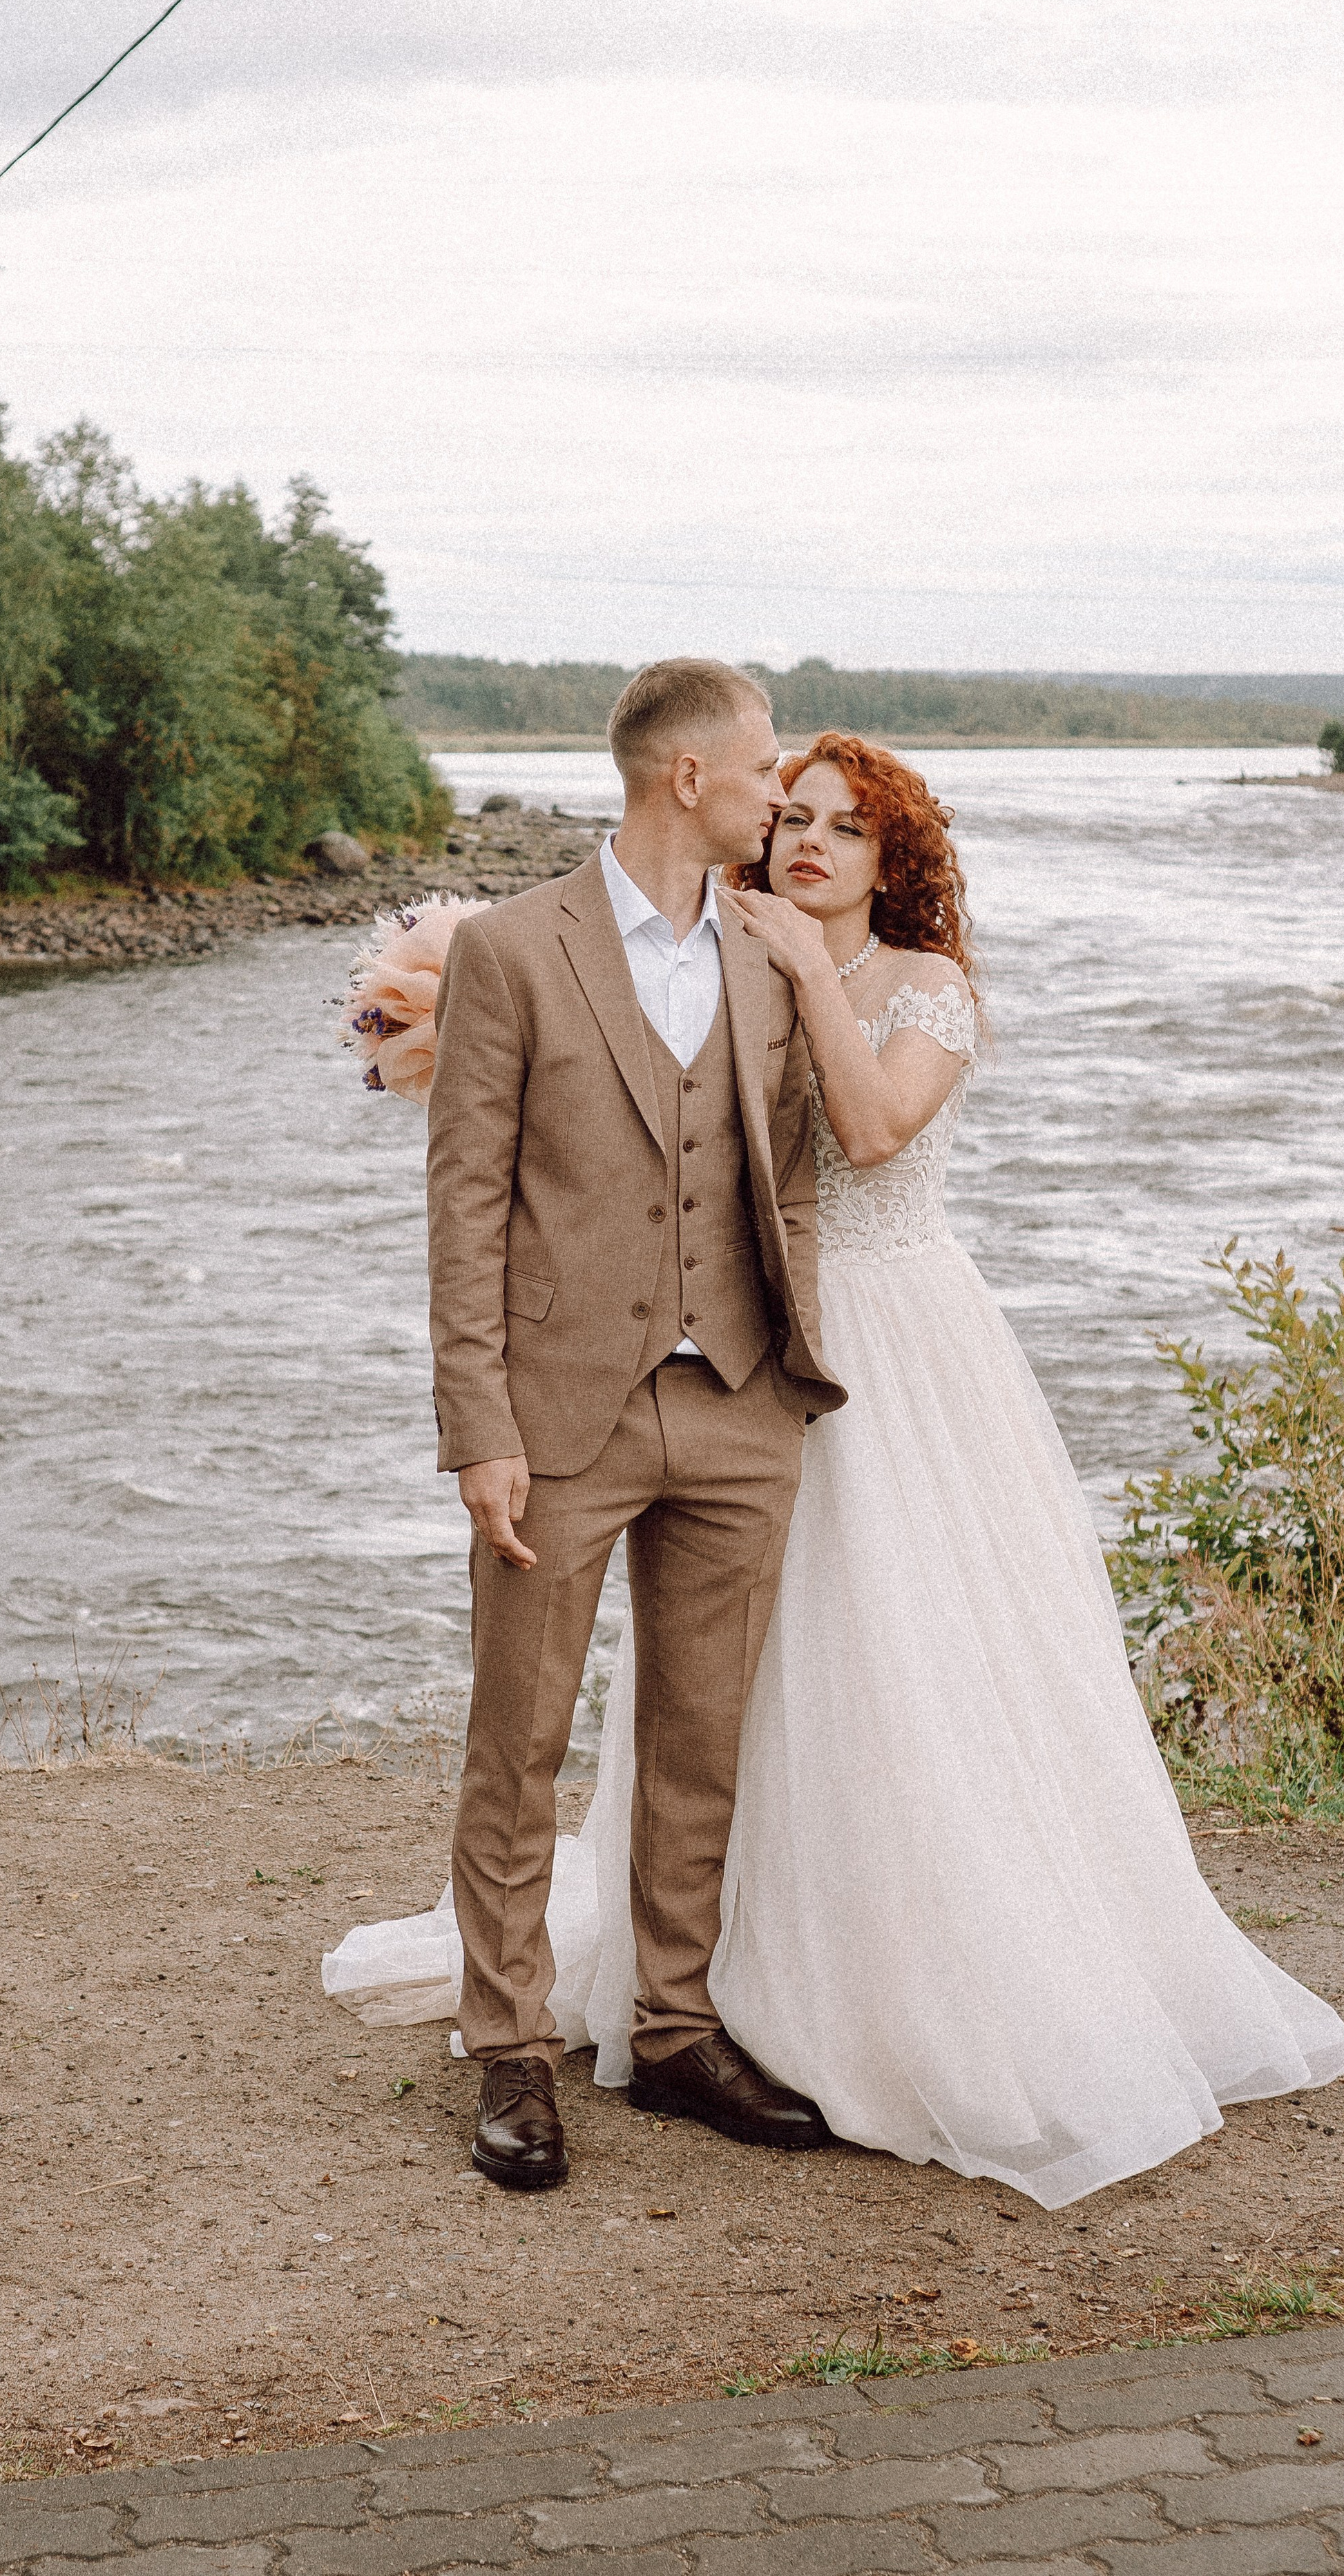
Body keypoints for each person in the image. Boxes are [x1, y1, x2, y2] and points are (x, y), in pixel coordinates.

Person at [325, 720, 1344, 2212]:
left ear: (896, 859)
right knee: (602, 1716)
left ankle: (802, 1995)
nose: (806, 841)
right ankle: (549, 2040)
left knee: (867, 1678)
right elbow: (581, 1116)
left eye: (844, 828)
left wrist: (807, 967)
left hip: (878, 1360)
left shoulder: (900, 983)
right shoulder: (696, 946)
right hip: (674, 1366)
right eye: (789, 814)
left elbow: (867, 1136)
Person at [415, 657, 846, 2191]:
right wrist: (479, 1424)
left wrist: (788, 1357)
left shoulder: (760, 949)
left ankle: (673, 2029)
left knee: (700, 1740)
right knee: (516, 1741)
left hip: (735, 1404)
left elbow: (786, 1169)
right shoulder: (515, 950)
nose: (777, 792)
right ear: (685, 778)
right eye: (760, 769)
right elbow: (462, 1203)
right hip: (557, 1414)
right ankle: (511, 2050)